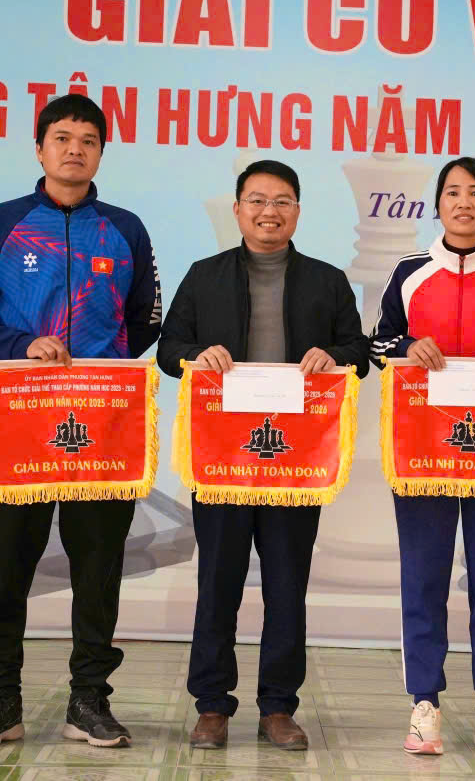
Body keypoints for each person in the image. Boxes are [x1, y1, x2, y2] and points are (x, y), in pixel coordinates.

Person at [0, 93, 163, 749]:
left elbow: (147, 317)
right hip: (21, 420)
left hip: (103, 420)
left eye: (88, 140)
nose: (74, 149)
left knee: (98, 565)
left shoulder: (125, 228)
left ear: (101, 154)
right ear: (39, 148)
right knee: (7, 564)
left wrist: (101, 364)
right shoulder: (2, 224)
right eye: (62, 137)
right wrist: (21, 346)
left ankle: (89, 701)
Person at [157, 159, 369, 750]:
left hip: (295, 461)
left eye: (281, 201)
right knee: (217, 582)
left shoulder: (327, 280)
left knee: (286, 585)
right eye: (256, 200)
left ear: (297, 211)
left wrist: (334, 356)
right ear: (237, 209)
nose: (268, 211)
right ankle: (212, 705)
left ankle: (279, 707)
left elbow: (359, 351)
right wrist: (195, 356)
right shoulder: (204, 276)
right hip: (222, 458)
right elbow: (168, 348)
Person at [370, 156, 475, 757]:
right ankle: (425, 704)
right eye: (452, 192)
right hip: (422, 450)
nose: (463, 202)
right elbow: (378, 343)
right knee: (424, 578)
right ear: (437, 205)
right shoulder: (409, 272)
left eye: (474, 193)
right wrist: (408, 345)